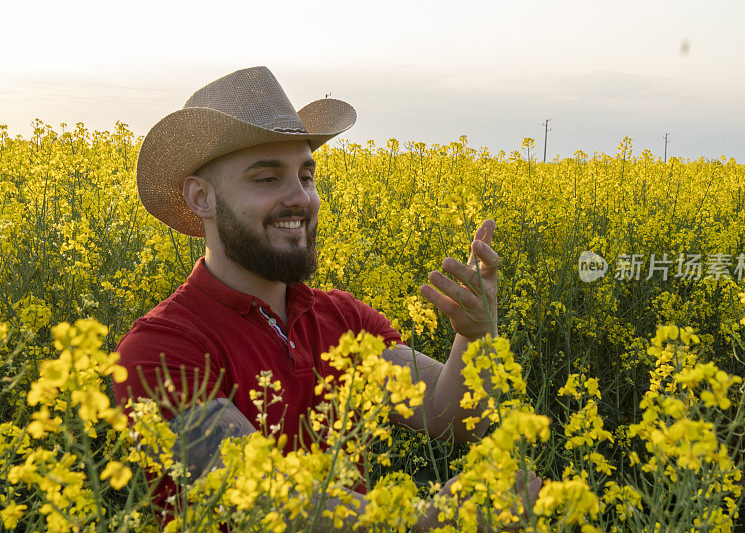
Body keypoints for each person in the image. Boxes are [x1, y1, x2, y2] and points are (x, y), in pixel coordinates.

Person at [113, 66, 541, 530]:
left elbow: (448, 417)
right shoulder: (160, 348)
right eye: (266, 178)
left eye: (307, 175)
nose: (300, 197)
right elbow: (256, 497)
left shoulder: (342, 319)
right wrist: (427, 522)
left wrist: (475, 334)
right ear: (201, 198)